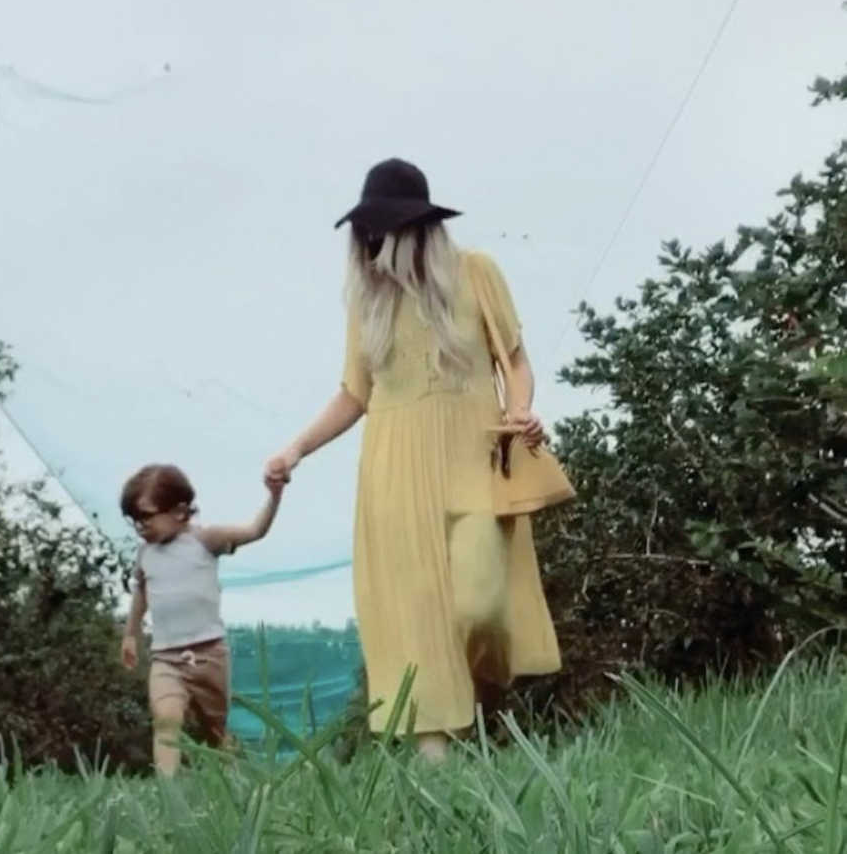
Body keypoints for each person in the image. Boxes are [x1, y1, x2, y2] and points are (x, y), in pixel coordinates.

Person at [264, 158, 560, 762]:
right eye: (366, 232)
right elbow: (354, 395)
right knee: (418, 622)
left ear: (417, 228)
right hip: (394, 477)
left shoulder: (477, 274)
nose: (373, 243)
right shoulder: (366, 304)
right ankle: (439, 773)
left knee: (481, 608)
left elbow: (517, 362)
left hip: (475, 463)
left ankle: (480, 699)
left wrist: (523, 409)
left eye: (383, 229)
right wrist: (295, 447)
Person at [119, 463, 283, 776]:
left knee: (215, 732)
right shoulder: (145, 554)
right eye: (134, 520)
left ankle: (235, 781)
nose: (140, 526)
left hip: (209, 655)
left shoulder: (205, 540)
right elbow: (142, 591)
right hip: (165, 656)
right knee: (165, 719)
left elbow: (255, 531)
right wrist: (130, 634)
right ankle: (168, 794)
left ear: (179, 511)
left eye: (146, 516)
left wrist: (274, 497)